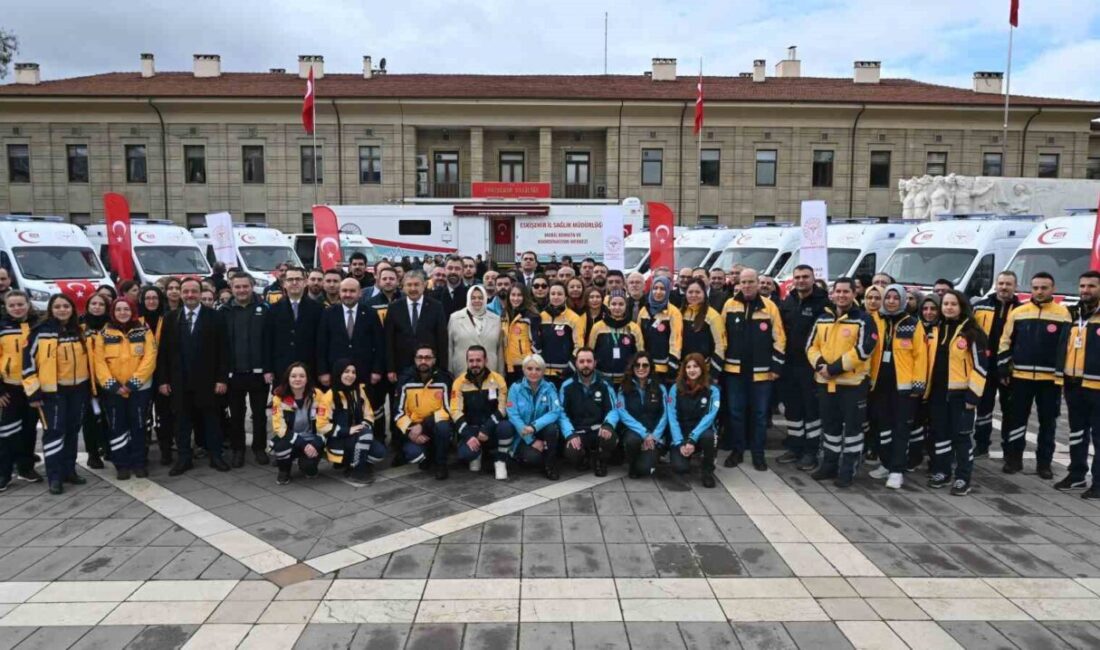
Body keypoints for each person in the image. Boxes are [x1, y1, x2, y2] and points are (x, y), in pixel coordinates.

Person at [998, 271, 1070, 478]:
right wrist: (1004, 366)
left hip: (1050, 380)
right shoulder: (1019, 312)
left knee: (1048, 422)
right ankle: (1014, 460)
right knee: (1016, 419)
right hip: (1020, 377)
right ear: (1030, 288)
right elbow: (1005, 341)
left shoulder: (1063, 314)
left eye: (1044, 288)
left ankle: (1044, 464)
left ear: (1052, 289)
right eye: (1036, 287)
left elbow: (1066, 347)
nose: (1039, 291)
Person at [807, 277, 877, 488]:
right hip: (825, 382)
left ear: (854, 294)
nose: (841, 295)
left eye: (846, 291)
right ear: (832, 294)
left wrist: (834, 368)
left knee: (853, 429)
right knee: (830, 426)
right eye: (838, 291)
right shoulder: (822, 319)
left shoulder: (864, 319)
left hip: (853, 384)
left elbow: (865, 349)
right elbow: (811, 346)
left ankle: (848, 469)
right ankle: (829, 464)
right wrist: (820, 366)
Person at [156, 277, 230, 476]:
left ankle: (216, 456)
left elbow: (224, 351)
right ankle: (184, 458)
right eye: (186, 291)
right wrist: (163, 380)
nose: (190, 295)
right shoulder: (171, 318)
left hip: (208, 381)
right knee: (181, 422)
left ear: (201, 293)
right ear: (181, 294)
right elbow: (163, 353)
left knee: (211, 421)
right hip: (179, 382)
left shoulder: (215, 317)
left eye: (194, 291)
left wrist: (222, 379)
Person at [23, 294, 93, 494]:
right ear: (51, 310)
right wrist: (33, 393)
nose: (62, 310)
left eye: (66, 306)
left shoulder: (79, 330)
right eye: (58, 306)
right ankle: (54, 476)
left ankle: (69, 470)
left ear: (72, 309)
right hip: (51, 392)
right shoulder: (40, 332)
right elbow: (27, 364)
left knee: (72, 430)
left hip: (79, 389)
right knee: (54, 432)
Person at [721, 269, 785, 471]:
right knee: (736, 412)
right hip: (734, 370)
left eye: (751, 282)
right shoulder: (730, 306)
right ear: (737, 284)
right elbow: (721, 337)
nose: (747, 285)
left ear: (758, 283)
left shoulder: (770, 307)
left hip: (762, 372)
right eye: (743, 282)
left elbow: (780, 339)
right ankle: (737, 450)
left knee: (759, 415)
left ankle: (758, 454)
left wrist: (776, 366)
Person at [926, 290, 988, 495]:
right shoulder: (934, 329)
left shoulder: (972, 333)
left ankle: (963, 477)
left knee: (961, 437)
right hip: (937, 392)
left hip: (961, 395)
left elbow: (981, 367)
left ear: (962, 306)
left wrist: (973, 396)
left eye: (953, 304)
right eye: (945, 304)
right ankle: (942, 471)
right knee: (941, 434)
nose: (948, 308)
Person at [866, 285, 927, 489]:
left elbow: (920, 356)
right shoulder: (875, 320)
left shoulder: (912, 323)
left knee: (901, 428)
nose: (891, 301)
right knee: (882, 427)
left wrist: (918, 385)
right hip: (879, 385)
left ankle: (897, 470)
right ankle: (885, 462)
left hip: (904, 387)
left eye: (895, 298)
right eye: (888, 297)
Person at [92, 297, 157, 480]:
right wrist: (112, 385)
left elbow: (150, 358)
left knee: (138, 425)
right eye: (119, 309)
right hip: (113, 391)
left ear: (132, 311)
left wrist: (133, 383)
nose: (123, 313)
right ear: (113, 312)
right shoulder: (104, 334)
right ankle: (121, 464)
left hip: (139, 389)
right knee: (116, 426)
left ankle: (139, 463)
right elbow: (99, 362)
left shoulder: (144, 330)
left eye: (126, 309)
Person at [776, 265, 832, 469]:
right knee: (793, 409)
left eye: (805, 277)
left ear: (813, 278)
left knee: (811, 411)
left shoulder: (824, 303)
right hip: (789, 365)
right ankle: (795, 446)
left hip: (811, 367)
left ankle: (811, 451)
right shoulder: (788, 301)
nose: (801, 281)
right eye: (797, 277)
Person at [223, 272, 273, 467]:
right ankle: (238, 449)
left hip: (259, 373)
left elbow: (270, 341)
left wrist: (269, 369)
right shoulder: (224, 311)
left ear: (252, 287)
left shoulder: (265, 309)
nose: (242, 290)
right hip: (233, 373)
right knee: (236, 414)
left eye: (245, 286)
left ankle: (259, 448)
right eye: (238, 287)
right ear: (231, 287)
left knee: (259, 414)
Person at [1060, 271, 1100, 497]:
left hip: (1098, 387)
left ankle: (1098, 482)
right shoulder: (1072, 314)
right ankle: (1076, 475)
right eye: (1083, 286)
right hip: (1074, 383)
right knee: (1076, 432)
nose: (1086, 290)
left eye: (1091, 286)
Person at [972, 271, 1019, 458]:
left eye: (1008, 284)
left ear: (1015, 286)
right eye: (1001, 283)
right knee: (983, 407)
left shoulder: (1021, 309)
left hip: (1009, 367)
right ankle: (981, 445)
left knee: (1010, 411)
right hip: (985, 365)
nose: (1004, 287)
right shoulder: (981, 306)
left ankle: (1009, 450)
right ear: (995, 285)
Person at [0, 291, 42, 490]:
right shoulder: (2, 327)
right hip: (9, 386)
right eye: (12, 305)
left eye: (20, 304)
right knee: (7, 431)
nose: (17, 308)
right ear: (6, 307)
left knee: (29, 429)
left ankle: (26, 467)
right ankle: (4, 472)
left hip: (33, 386)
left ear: (28, 304)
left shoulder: (38, 325)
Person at [451, 345, 511, 478]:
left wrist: (487, 428)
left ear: (486, 361)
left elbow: (502, 408)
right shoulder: (459, 383)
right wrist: (468, 435)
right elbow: (455, 411)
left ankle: (500, 461)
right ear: (467, 362)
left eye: (478, 360)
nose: (474, 364)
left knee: (506, 427)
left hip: (491, 429)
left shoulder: (498, 379)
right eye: (471, 361)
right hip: (471, 430)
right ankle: (477, 454)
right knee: (464, 454)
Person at [394, 345, 453, 479]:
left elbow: (448, 409)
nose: (423, 361)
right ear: (415, 360)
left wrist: (424, 425)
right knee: (414, 454)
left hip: (434, 425)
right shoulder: (405, 380)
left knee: (443, 427)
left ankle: (441, 464)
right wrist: (410, 431)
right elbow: (398, 411)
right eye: (419, 358)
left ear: (434, 360)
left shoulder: (444, 380)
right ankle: (426, 455)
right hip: (413, 428)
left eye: (427, 358)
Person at [506, 353, 567, 480]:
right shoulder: (515, 388)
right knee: (534, 458)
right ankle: (521, 456)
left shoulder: (549, 387)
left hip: (540, 430)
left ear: (543, 371)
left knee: (552, 428)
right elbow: (513, 415)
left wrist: (534, 426)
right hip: (522, 435)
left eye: (538, 369)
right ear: (523, 370)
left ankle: (550, 465)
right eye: (529, 369)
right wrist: (531, 440)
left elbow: (555, 411)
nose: (533, 372)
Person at [323, 359, 385, 484]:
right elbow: (322, 425)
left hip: (359, 436)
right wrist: (347, 430)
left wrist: (363, 427)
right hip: (338, 440)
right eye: (346, 371)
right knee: (366, 435)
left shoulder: (359, 391)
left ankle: (356, 463)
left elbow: (369, 414)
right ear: (338, 373)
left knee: (380, 453)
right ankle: (357, 470)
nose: (350, 375)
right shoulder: (330, 396)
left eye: (353, 372)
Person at [560, 347, 619, 476]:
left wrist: (608, 425)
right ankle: (583, 458)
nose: (585, 365)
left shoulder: (604, 383)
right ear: (576, 363)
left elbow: (614, 409)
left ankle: (600, 460)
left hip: (599, 429)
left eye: (589, 361)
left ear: (595, 363)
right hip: (578, 431)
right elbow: (561, 414)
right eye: (581, 361)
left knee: (609, 437)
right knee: (572, 452)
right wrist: (570, 434)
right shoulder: (567, 385)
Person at [318, 278, 381, 394]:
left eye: (352, 291)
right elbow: (321, 345)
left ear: (360, 293)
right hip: (336, 372)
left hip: (363, 371)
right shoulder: (328, 313)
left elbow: (379, 344)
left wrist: (377, 370)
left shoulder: (370, 314)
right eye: (344, 291)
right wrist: (323, 371)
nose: (348, 294)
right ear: (339, 292)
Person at [270, 363, 329, 485]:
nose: (298, 379)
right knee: (281, 446)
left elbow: (325, 422)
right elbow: (279, 427)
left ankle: (308, 465)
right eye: (294, 376)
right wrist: (301, 443)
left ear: (307, 379)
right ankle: (284, 470)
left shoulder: (318, 395)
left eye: (302, 376)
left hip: (311, 438)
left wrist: (317, 442)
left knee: (309, 469)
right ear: (288, 378)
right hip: (290, 438)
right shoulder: (279, 398)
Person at [384, 270, 448, 382]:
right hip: (401, 368)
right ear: (403, 287)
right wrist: (390, 369)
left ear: (424, 286)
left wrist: (442, 369)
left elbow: (442, 339)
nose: (413, 288)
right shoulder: (394, 308)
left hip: (429, 367)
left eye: (416, 284)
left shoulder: (436, 307)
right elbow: (388, 340)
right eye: (409, 285)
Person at [668, 353, 720, 488]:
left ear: (702, 368)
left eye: (695, 366)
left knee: (710, 436)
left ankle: (707, 471)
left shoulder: (713, 390)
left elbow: (710, 417)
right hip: (682, 432)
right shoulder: (675, 388)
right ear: (684, 369)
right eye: (688, 367)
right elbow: (672, 417)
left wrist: (692, 439)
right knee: (680, 468)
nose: (692, 370)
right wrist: (679, 442)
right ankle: (686, 454)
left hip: (701, 432)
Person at [268, 266, 322, 390]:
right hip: (282, 369)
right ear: (284, 283)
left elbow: (321, 342)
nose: (294, 282)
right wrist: (268, 369)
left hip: (310, 369)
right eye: (290, 279)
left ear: (305, 282)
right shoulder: (273, 310)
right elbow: (268, 341)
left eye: (298, 279)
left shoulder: (318, 309)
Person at [616, 351, 667, 479]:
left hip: (654, 434)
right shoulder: (624, 387)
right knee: (632, 441)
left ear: (651, 367)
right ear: (632, 367)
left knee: (644, 470)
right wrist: (644, 433)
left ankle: (650, 455)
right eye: (637, 365)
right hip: (634, 432)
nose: (641, 368)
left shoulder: (660, 388)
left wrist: (654, 436)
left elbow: (665, 414)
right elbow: (622, 413)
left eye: (645, 365)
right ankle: (632, 464)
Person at [80, 293, 111, 469]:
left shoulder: (112, 326)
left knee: (108, 417)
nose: (97, 307)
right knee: (90, 419)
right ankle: (93, 453)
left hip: (108, 379)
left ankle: (108, 447)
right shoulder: (79, 326)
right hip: (86, 380)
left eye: (101, 304)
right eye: (93, 303)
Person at [588, 291, 644, 385]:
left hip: (626, 378)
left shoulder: (633, 328)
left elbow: (640, 353)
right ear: (608, 306)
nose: (617, 307)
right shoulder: (598, 327)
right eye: (613, 304)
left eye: (621, 304)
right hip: (602, 377)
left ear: (626, 306)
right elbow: (591, 351)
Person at [447, 284, 502, 377]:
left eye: (480, 298)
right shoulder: (455, 318)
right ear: (468, 298)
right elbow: (449, 347)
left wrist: (501, 374)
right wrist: (449, 372)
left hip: (490, 372)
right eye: (473, 298)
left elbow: (500, 350)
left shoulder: (496, 319)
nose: (477, 300)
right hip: (462, 372)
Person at [638, 276, 683, 382]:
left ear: (668, 291)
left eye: (662, 289)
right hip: (645, 366)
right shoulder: (644, 310)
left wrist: (672, 363)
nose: (658, 292)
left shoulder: (673, 312)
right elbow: (638, 337)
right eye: (655, 288)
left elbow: (676, 339)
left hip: (664, 367)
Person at [538, 283, 585, 385]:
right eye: (553, 294)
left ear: (565, 296)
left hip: (564, 372)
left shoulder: (574, 318)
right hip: (542, 371)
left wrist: (571, 366)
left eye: (559, 294)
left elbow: (579, 345)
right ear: (549, 296)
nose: (556, 297)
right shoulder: (541, 316)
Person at [679, 278, 726, 375]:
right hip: (683, 370)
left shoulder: (713, 316)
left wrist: (713, 372)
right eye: (690, 292)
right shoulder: (680, 313)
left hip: (704, 370)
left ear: (704, 294)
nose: (694, 295)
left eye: (697, 292)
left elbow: (720, 346)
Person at [501, 285, 542, 385]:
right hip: (508, 365)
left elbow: (537, 344)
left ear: (525, 297)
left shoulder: (531, 316)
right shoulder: (504, 315)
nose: (515, 298)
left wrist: (531, 364)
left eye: (519, 295)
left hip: (525, 366)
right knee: (511, 397)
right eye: (513, 295)